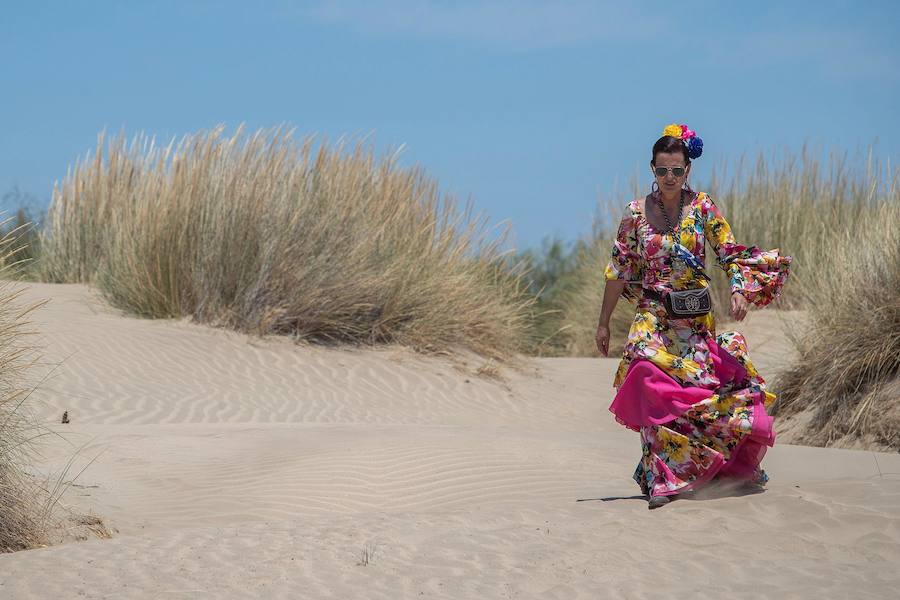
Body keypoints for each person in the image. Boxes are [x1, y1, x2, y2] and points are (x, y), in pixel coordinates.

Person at [595, 123, 791, 509]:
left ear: (687, 169)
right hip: (652, 314)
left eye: (676, 170)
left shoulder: (703, 207)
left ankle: (705, 466)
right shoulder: (635, 213)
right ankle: (662, 480)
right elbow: (618, 269)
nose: (669, 177)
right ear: (652, 169)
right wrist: (603, 323)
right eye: (662, 170)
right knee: (645, 376)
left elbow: (729, 252)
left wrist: (739, 289)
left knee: (695, 398)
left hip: (694, 321)